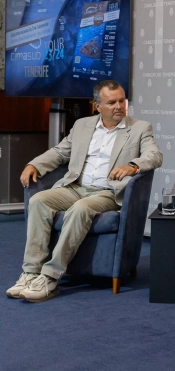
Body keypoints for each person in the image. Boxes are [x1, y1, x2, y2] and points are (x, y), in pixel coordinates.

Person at [5, 80, 163, 303]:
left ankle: (50, 277)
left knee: (80, 210)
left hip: (107, 193)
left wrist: (133, 166)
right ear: (97, 105)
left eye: (121, 101)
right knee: (39, 200)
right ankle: (31, 272)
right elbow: (60, 153)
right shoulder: (82, 125)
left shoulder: (139, 128)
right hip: (75, 187)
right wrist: (34, 165)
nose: (119, 106)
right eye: (111, 102)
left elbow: (154, 155)